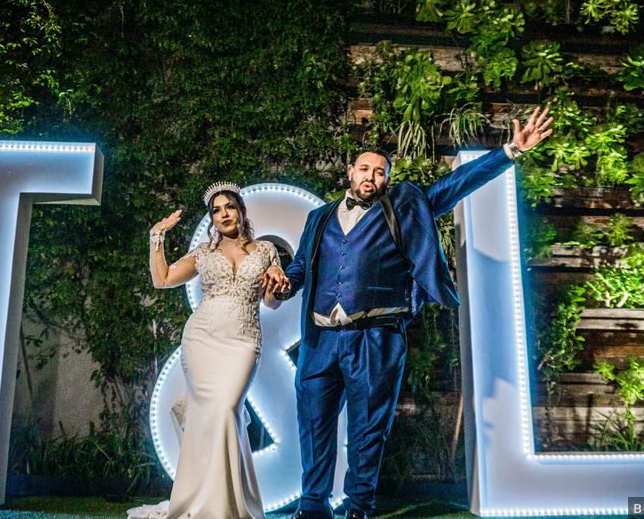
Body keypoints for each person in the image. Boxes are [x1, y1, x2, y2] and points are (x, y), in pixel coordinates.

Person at [264, 106, 554, 519]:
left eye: (380, 172)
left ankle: (358, 508)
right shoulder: (318, 217)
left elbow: (452, 186)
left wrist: (508, 152)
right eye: (364, 169)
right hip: (320, 340)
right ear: (350, 172)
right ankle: (312, 507)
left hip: (376, 339)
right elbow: (300, 270)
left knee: (368, 430)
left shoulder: (402, 207)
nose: (371, 177)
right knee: (314, 426)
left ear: (387, 178)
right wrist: (283, 283)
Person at [128, 182, 288, 519]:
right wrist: (156, 236)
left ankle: (229, 502)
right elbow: (164, 278)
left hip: (243, 341)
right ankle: (206, 503)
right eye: (217, 210)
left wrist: (277, 283)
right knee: (211, 415)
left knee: (227, 407)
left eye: (229, 207)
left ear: (242, 211)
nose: (224, 214)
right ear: (212, 219)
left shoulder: (265, 252)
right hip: (201, 341)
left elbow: (271, 304)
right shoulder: (204, 252)